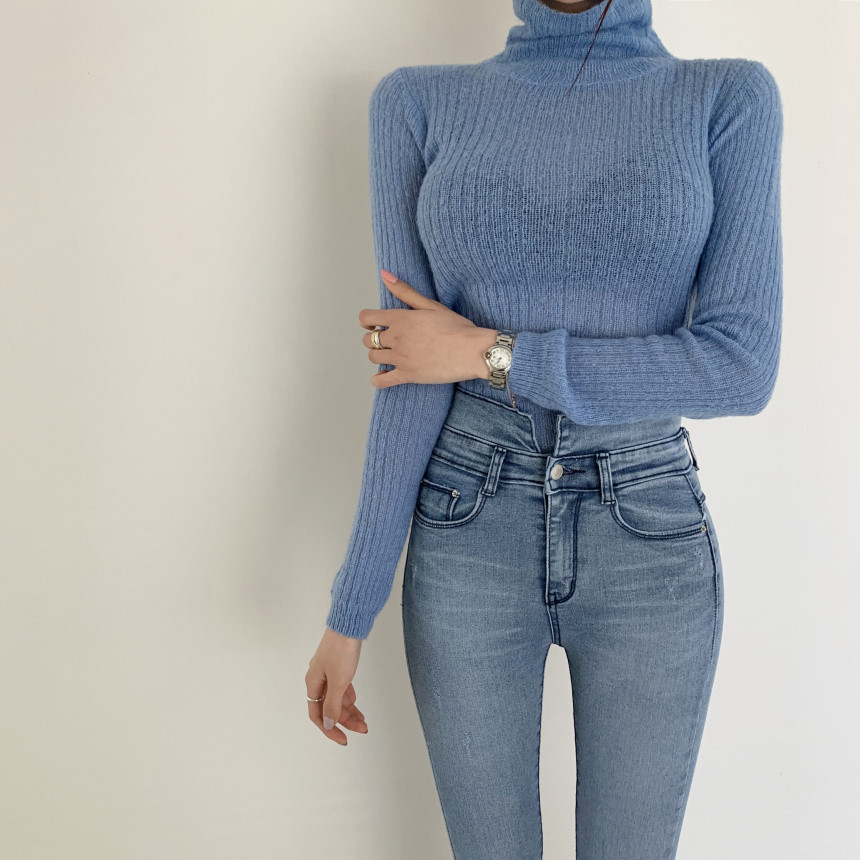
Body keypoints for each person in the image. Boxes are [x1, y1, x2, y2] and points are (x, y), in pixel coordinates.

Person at [306, 0, 783, 856]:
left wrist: (491, 354)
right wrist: (351, 609)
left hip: (647, 531)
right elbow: (409, 371)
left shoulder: (727, 98)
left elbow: (740, 366)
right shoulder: (414, 104)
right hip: (466, 522)